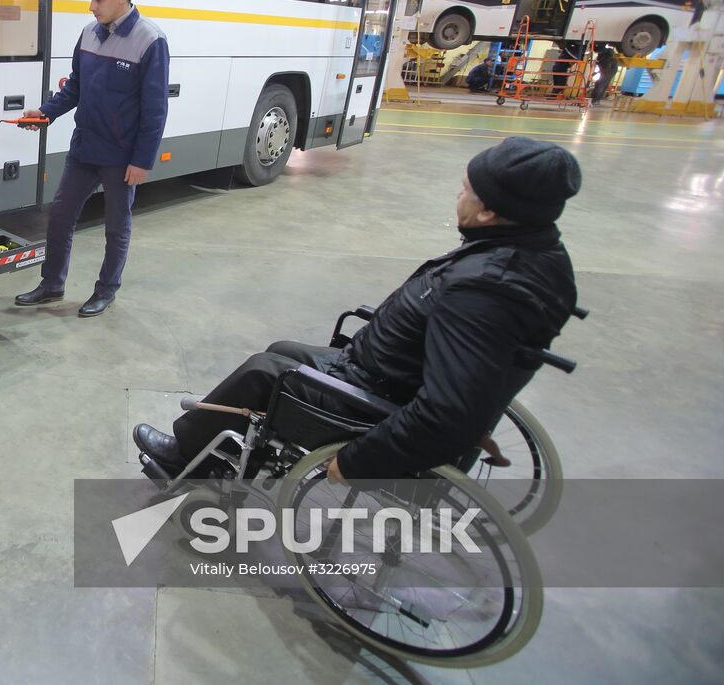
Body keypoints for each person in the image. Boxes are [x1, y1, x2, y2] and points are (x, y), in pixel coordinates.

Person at [133, 136, 580, 481]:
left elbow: (446, 414)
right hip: (384, 372)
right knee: (282, 347)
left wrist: (358, 461)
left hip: (372, 398)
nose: (458, 197)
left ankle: (183, 454)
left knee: (265, 370)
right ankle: (229, 456)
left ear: (488, 213)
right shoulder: (539, 257)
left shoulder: (484, 293)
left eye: (466, 191)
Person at [14, 0, 170, 318]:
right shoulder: (88, 33)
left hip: (121, 156)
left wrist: (142, 160)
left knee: (116, 227)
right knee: (59, 216)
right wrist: (45, 113)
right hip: (84, 148)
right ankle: (52, 284)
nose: (91, 7)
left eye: (97, 0)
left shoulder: (150, 40)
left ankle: (106, 290)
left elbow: (155, 109)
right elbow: (76, 88)